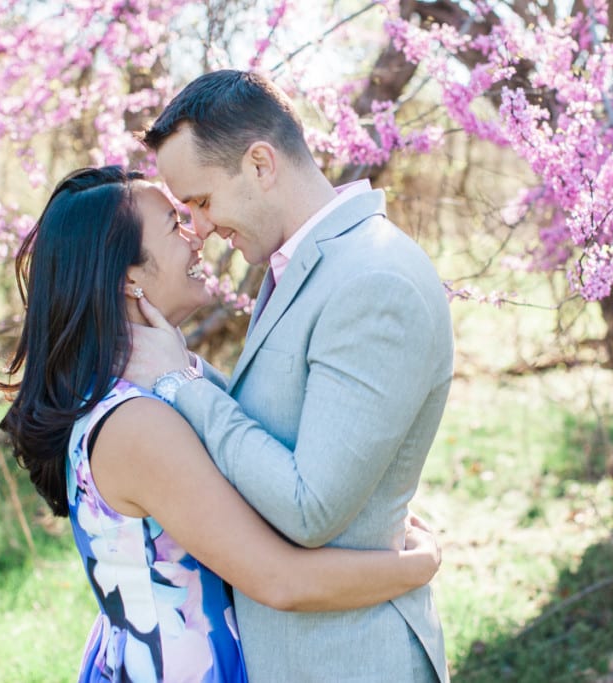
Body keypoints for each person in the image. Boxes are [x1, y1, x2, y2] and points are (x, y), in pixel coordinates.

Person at [0, 166, 443, 683]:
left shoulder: (139, 395)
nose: (197, 237)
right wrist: (414, 567)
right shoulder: (136, 424)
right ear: (128, 277)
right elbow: (279, 581)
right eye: (174, 225)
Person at [123, 70, 454, 682]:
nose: (196, 227)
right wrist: (187, 368)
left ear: (259, 164)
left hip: (349, 657)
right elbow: (277, 418)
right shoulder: (301, 263)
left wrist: (184, 386)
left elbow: (310, 507)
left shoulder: (371, 279)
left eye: (199, 200)